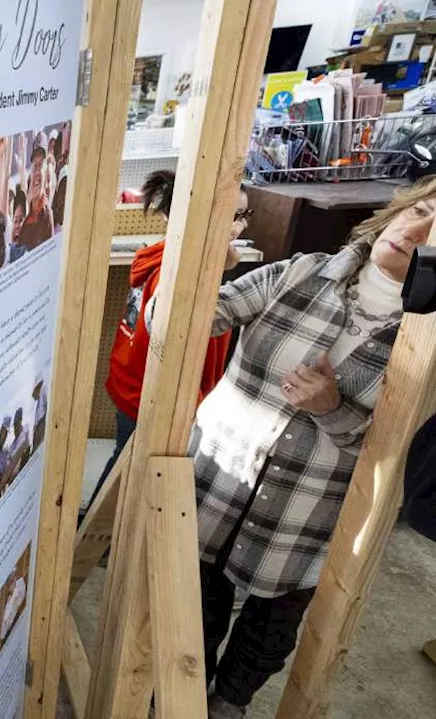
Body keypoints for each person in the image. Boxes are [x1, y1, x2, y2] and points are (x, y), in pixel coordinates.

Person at [183, 178, 436, 718]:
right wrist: (192, 271)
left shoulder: (426, 341)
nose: (416, 231)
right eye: (418, 209)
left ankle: (228, 707)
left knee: (268, 633)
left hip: (307, 520)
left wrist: (332, 409)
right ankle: (181, 699)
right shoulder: (302, 272)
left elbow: (399, 463)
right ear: (393, 212)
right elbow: (196, 319)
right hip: (216, 485)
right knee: (191, 616)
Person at [92, 170, 247, 508]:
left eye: (243, 216)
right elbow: (171, 343)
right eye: (233, 216)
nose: (241, 227)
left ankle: (101, 531)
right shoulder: (177, 275)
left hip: (135, 385)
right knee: (125, 467)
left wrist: (223, 264)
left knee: (125, 460)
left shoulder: (167, 256)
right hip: (148, 394)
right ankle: (98, 533)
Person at [18, 146, 55, 250]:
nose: (37, 172)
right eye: (35, 166)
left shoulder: (47, 214)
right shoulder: (25, 219)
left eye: (40, 166)